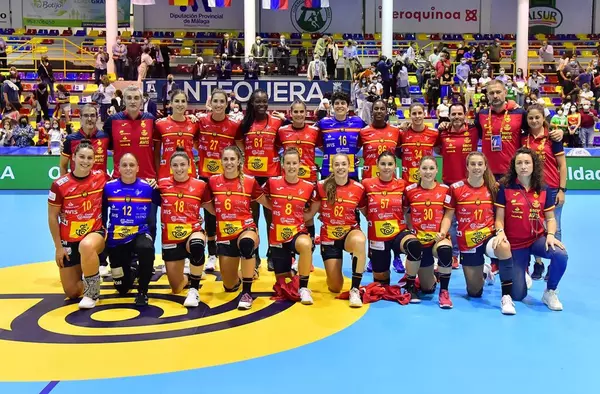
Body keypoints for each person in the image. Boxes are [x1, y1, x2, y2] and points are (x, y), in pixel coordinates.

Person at [439, 152, 516, 315]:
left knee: (503, 246)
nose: (476, 167)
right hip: (468, 242)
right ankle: (485, 271)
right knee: (474, 292)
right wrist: (442, 233)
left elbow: (501, 215)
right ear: (467, 167)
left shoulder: (494, 187)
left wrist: (501, 232)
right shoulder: (455, 189)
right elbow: (448, 216)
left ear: (485, 166)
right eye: (472, 164)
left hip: (489, 237)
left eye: (480, 164)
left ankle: (506, 297)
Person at [495, 147, 567, 310]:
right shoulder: (505, 187)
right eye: (519, 163)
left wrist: (550, 235)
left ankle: (550, 291)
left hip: (536, 240)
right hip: (515, 245)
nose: (523, 166)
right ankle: (521, 273)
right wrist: (500, 232)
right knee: (518, 296)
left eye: (527, 162)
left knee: (560, 254)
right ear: (514, 166)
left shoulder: (544, 188)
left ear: (534, 165)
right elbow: (499, 219)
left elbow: (550, 218)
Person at [205, 146, 269, 309]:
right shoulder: (213, 181)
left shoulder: (249, 181)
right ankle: (248, 274)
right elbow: (206, 203)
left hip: (245, 229)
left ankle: (247, 293)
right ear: (221, 161)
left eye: (232, 159)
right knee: (229, 285)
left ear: (239, 161)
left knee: (247, 245)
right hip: (225, 235)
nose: (229, 163)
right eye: (225, 159)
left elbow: (267, 203)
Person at [48, 140, 108, 309]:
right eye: (81, 156)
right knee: (72, 292)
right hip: (69, 241)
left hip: (95, 234)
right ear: (73, 157)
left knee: (87, 245)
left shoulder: (101, 177)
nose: (85, 161)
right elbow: (53, 217)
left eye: (90, 158)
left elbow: (123, 185)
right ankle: (91, 273)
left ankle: (93, 293)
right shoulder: (59, 185)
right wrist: (58, 247)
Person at [304, 153, 367, 308]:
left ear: (349, 167)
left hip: (349, 234)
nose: (340, 167)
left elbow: (369, 214)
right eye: (337, 164)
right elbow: (311, 213)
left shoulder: (358, 188)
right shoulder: (321, 186)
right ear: (332, 167)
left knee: (360, 240)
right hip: (328, 237)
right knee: (335, 287)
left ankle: (355, 289)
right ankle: (332, 275)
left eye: (343, 164)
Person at [236, 89, 286, 270]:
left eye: (264, 101)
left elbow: (282, 142)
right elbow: (238, 142)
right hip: (250, 176)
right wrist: (246, 155)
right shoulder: (245, 124)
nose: (262, 105)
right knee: (252, 218)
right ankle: (254, 254)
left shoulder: (277, 122)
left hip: (271, 176)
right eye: (258, 102)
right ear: (251, 104)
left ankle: (272, 253)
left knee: (272, 217)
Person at [155, 148, 212, 308]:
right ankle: (189, 276)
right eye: (175, 165)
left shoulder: (200, 185)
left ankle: (194, 289)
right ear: (170, 167)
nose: (179, 168)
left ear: (189, 165)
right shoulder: (162, 185)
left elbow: (212, 209)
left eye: (182, 165)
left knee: (197, 245)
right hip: (171, 238)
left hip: (193, 231)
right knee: (176, 287)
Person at [474, 80, 562, 179]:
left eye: (498, 92)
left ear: (505, 92)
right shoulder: (481, 114)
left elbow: (536, 127)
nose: (495, 96)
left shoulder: (519, 112)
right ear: (487, 95)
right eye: (491, 93)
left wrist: (559, 131)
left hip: (513, 172)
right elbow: (477, 133)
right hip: (487, 172)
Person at [196, 89, 242, 271]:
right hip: (206, 175)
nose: (218, 105)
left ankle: (230, 247)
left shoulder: (233, 125)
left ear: (227, 104)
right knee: (209, 214)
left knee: (227, 211)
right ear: (210, 102)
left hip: (227, 176)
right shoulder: (201, 121)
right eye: (215, 101)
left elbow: (239, 148)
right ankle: (212, 253)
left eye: (222, 101)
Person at [264, 148, 315, 304]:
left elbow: (314, 207)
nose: (291, 166)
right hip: (277, 237)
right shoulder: (272, 183)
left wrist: (306, 220)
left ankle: (304, 288)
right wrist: (275, 208)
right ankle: (292, 270)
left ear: (300, 164)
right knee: (283, 284)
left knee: (306, 244)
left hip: (297, 232)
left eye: (294, 163)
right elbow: (260, 197)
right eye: (288, 163)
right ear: (282, 165)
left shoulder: (308, 187)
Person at [521, 105, 567, 281]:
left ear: (543, 118)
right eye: (530, 118)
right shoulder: (524, 139)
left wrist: (562, 190)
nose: (534, 121)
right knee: (534, 227)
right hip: (532, 189)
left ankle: (553, 264)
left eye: (537, 118)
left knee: (555, 227)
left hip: (553, 189)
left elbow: (562, 165)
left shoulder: (553, 138)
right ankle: (538, 263)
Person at [103, 154, 155, 306]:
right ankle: (132, 269)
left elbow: (170, 200)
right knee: (122, 288)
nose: (128, 168)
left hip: (139, 232)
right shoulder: (109, 187)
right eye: (124, 165)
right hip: (116, 238)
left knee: (146, 248)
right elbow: (99, 209)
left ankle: (142, 291)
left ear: (138, 168)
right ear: (118, 168)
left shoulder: (147, 188)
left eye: (132, 165)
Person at [403, 156, 454, 308]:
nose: (428, 172)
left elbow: (448, 214)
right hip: (420, 241)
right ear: (418, 170)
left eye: (431, 168)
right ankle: (423, 279)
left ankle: (444, 292)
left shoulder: (445, 190)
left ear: (437, 170)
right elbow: (406, 211)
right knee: (427, 288)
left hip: (438, 238)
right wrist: (410, 228)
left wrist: (443, 233)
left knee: (445, 249)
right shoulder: (410, 190)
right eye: (424, 168)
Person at [436, 103, 480, 268]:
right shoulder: (443, 132)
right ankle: (454, 254)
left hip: (470, 184)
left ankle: (471, 251)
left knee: (470, 220)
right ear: (448, 116)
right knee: (452, 221)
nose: (456, 117)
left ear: (465, 115)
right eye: (453, 114)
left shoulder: (474, 130)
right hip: (449, 184)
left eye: (459, 113)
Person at [277, 100, 321, 245]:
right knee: (288, 215)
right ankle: (289, 255)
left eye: (301, 111)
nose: (299, 114)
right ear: (290, 113)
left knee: (308, 216)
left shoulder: (315, 132)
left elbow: (324, 147)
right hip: (288, 181)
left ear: (306, 112)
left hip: (309, 180)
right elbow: (274, 149)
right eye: (295, 111)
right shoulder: (282, 132)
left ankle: (308, 252)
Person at [316, 91, 367, 180]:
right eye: (337, 103)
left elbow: (371, 132)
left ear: (347, 107)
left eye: (343, 103)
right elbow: (308, 132)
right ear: (332, 106)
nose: (340, 106)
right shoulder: (323, 122)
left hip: (350, 171)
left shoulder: (358, 122)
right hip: (328, 170)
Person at [154, 89, 199, 180]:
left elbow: (200, 147)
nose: (180, 104)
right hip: (166, 173)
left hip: (189, 173)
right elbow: (156, 153)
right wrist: (157, 173)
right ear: (170, 103)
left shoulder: (194, 123)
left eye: (183, 101)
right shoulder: (160, 124)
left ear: (187, 104)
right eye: (177, 101)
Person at [359, 99, 401, 180]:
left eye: (382, 109)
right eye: (376, 108)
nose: (379, 111)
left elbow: (400, 153)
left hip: (389, 179)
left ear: (386, 112)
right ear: (372, 112)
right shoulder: (363, 132)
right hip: (369, 179)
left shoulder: (396, 131)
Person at [398, 102, 438, 184]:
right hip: (407, 183)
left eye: (420, 113)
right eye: (414, 113)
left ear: (424, 114)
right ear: (409, 115)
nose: (417, 116)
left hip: (427, 182)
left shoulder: (434, 134)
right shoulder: (402, 133)